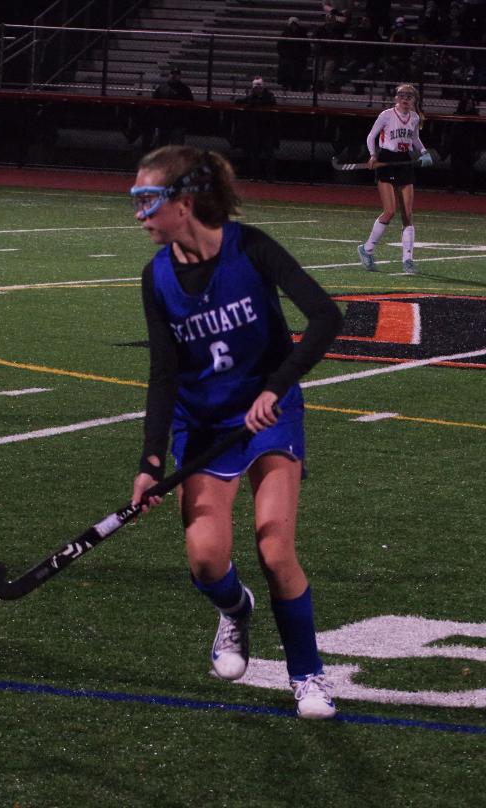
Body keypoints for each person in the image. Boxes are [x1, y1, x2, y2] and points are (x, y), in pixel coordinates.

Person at [128, 146, 344, 719]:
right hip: (202, 425)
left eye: (147, 200)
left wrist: (276, 388)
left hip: (268, 415)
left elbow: (326, 317)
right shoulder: (156, 277)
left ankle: (309, 677)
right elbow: (164, 374)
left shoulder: (251, 247)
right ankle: (235, 610)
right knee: (205, 559)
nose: (138, 214)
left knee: (275, 547)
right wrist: (150, 462)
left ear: (185, 201)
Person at [357, 83, 433, 275]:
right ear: (396, 98)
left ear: (414, 100)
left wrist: (423, 152)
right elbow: (371, 136)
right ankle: (366, 250)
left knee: (407, 214)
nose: (406, 99)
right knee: (390, 211)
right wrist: (373, 155)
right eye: (402, 95)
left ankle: (407, 260)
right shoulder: (387, 115)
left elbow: (414, 138)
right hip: (386, 160)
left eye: (410, 96)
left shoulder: (415, 117)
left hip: (404, 163)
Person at [232, 77, 279, 180]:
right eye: (256, 88)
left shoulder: (269, 96)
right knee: (254, 154)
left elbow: (270, 103)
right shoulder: (251, 97)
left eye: (259, 87)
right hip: (255, 130)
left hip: (267, 129)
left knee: (269, 154)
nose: (258, 90)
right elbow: (241, 102)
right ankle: (254, 176)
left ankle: (271, 176)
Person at [151, 67, 195, 145]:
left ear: (180, 76)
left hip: (178, 123)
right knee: (162, 147)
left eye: (176, 74)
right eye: (172, 74)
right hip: (164, 123)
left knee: (176, 148)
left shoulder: (185, 89)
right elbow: (154, 104)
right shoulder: (161, 88)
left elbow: (190, 105)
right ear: (169, 75)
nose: (174, 76)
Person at [276, 16, 311, 91]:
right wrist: (285, 54)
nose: (293, 27)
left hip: (299, 60)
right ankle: (285, 87)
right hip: (287, 59)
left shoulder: (303, 34)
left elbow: (307, 47)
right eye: (292, 25)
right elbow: (280, 47)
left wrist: (302, 55)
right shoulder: (285, 34)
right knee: (286, 75)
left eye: (295, 25)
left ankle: (295, 88)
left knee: (297, 75)